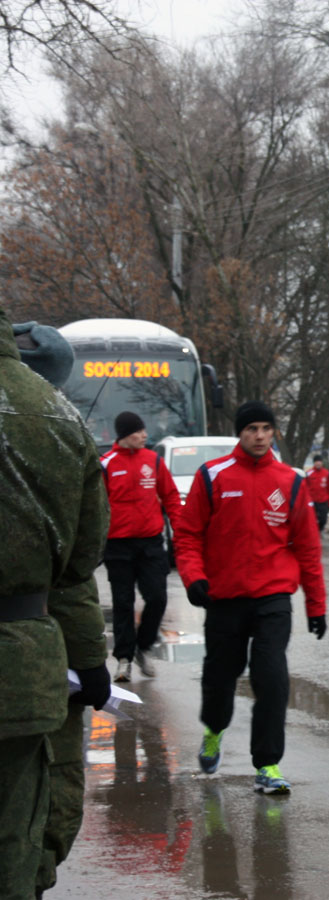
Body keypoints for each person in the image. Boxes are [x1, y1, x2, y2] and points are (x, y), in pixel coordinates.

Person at [1, 306, 109, 900]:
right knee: (16, 834)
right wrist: (90, 660)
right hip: (20, 670)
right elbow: (77, 565)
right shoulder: (58, 420)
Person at [174, 401, 328, 795]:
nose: (259, 436)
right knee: (220, 678)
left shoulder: (291, 481)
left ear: (273, 432)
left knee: (272, 678)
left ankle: (268, 764)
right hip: (224, 598)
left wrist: (316, 606)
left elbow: (308, 548)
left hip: (273, 598)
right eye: (251, 429)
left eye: (266, 428)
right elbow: (188, 534)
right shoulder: (214, 476)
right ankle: (213, 731)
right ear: (239, 433)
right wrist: (194, 578)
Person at [99, 410, 183, 682]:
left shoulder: (153, 461)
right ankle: (124, 658)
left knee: (157, 597)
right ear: (124, 435)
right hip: (118, 546)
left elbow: (170, 497)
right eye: (138, 431)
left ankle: (143, 647)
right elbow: (95, 507)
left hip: (150, 544)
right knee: (123, 603)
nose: (144, 436)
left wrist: (181, 532)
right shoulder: (106, 464)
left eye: (144, 430)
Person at [305, 453, 329, 533]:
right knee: (312, 520)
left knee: (323, 519)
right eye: (316, 461)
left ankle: (319, 530)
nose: (318, 463)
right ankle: (314, 533)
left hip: (323, 501)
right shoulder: (309, 473)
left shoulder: (326, 473)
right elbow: (305, 488)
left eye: (320, 461)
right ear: (314, 463)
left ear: (322, 463)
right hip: (312, 502)